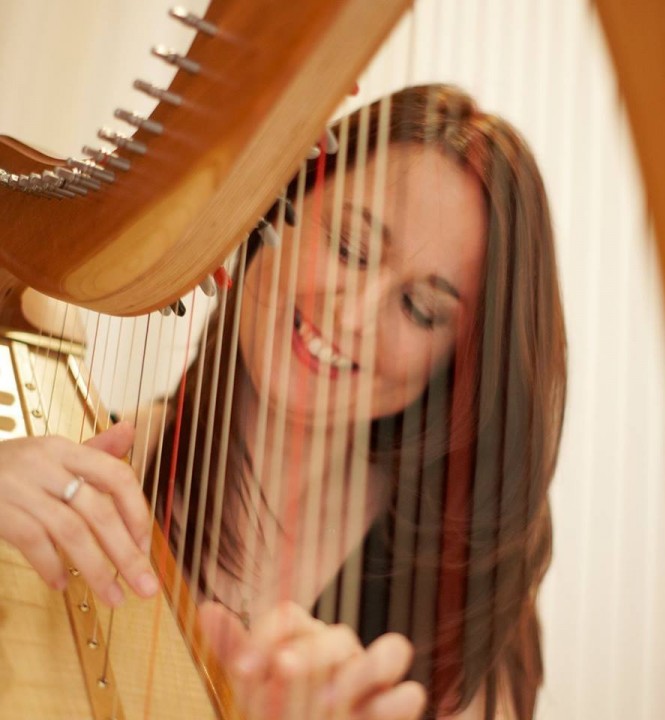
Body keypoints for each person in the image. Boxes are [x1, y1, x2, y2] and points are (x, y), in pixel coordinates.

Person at [0, 84, 566, 720]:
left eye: (420, 308)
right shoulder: (94, 464)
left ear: (456, 363)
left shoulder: (465, 614)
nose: (352, 317)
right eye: (349, 246)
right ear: (275, 211)